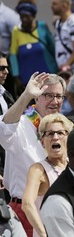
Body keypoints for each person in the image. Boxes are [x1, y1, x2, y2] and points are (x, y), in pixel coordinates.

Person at [0, 72, 65, 236]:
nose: (55, 101)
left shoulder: (64, 128)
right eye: (48, 95)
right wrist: (26, 95)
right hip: (25, 211)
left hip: (58, 211)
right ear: (37, 98)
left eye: (59, 96)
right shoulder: (21, 124)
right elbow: (3, 131)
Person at [22, 113, 73, 237]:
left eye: (60, 133)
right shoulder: (38, 170)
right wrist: (44, 234)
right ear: (42, 142)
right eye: (50, 134)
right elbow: (27, 204)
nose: (55, 137)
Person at [9, 0, 57, 87]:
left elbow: (53, 48)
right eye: (22, 16)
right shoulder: (16, 31)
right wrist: (16, 76)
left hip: (48, 76)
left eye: (27, 16)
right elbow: (13, 54)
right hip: (27, 80)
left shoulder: (42, 27)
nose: (24, 19)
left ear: (33, 16)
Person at [51, 0, 74, 72]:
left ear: (64, 6)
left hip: (71, 70)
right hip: (62, 70)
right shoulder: (58, 22)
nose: (51, 6)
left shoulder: (73, 23)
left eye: (55, 4)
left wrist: (66, 65)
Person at [0, 53, 14, 202]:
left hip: (9, 159)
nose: (6, 72)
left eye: (7, 67)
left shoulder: (5, 94)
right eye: (1, 68)